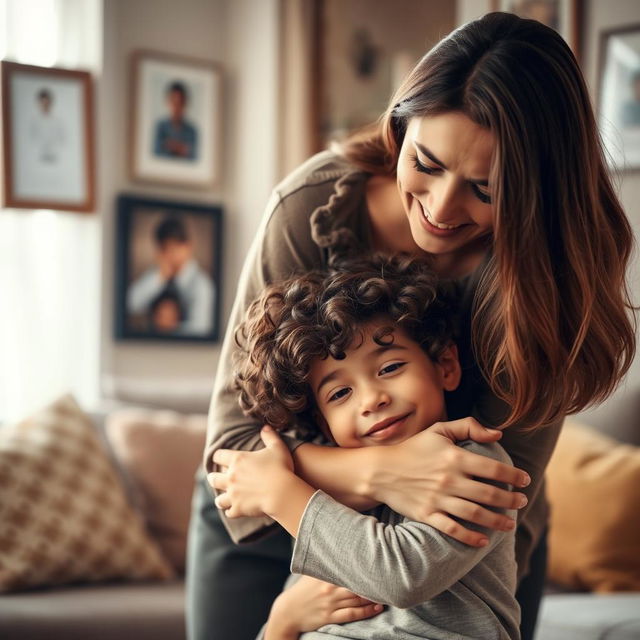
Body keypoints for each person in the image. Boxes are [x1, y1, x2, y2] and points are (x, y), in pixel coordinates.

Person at [186, 12, 636, 640]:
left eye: (486, 188)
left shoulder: (551, 283)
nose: (443, 208)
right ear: (400, 127)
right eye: (426, 162)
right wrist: (378, 472)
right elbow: (236, 454)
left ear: (538, 193)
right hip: (266, 530)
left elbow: (487, 487)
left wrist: (296, 479)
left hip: (465, 549)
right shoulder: (312, 210)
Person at [217, 255, 520, 640]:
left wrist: (282, 494)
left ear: (445, 365)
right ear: (323, 425)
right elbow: (306, 596)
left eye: (390, 368)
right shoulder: (332, 491)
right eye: (340, 392)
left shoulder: (473, 461)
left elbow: (402, 577)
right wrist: (283, 619)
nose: (371, 399)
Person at [127, 216, 215, 336]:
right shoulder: (157, 275)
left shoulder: (202, 285)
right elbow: (130, 304)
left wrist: (166, 329)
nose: (171, 254)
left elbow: (200, 329)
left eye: (176, 247)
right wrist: (160, 277)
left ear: (188, 246)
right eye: (166, 248)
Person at [153, 81, 198, 160]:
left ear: (185, 103)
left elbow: (192, 155)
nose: (176, 107)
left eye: (180, 103)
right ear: (168, 102)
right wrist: (180, 148)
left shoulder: (192, 131)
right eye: (174, 102)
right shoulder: (160, 127)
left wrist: (170, 145)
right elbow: (157, 152)